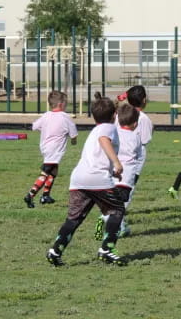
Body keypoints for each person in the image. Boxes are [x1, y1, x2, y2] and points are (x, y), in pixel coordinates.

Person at [46, 93, 126, 267]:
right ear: (114, 116)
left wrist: (113, 170)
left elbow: (97, 154)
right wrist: (117, 162)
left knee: (74, 218)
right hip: (96, 178)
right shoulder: (108, 128)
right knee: (117, 210)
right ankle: (107, 249)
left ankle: (55, 250)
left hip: (79, 179)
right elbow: (104, 141)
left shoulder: (95, 129)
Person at [95, 103, 141, 240]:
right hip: (126, 177)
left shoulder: (114, 133)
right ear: (135, 123)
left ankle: (111, 221)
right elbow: (138, 155)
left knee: (113, 202)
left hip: (112, 175)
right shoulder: (136, 137)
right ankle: (112, 226)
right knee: (121, 206)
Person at [23, 91, 78, 208]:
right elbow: (74, 135)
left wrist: (46, 130)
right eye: (66, 103)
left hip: (46, 147)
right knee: (46, 172)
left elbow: (34, 126)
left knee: (53, 171)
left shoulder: (46, 115)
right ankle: (30, 195)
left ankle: (45, 195)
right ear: (61, 104)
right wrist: (73, 141)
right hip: (55, 149)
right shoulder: (65, 117)